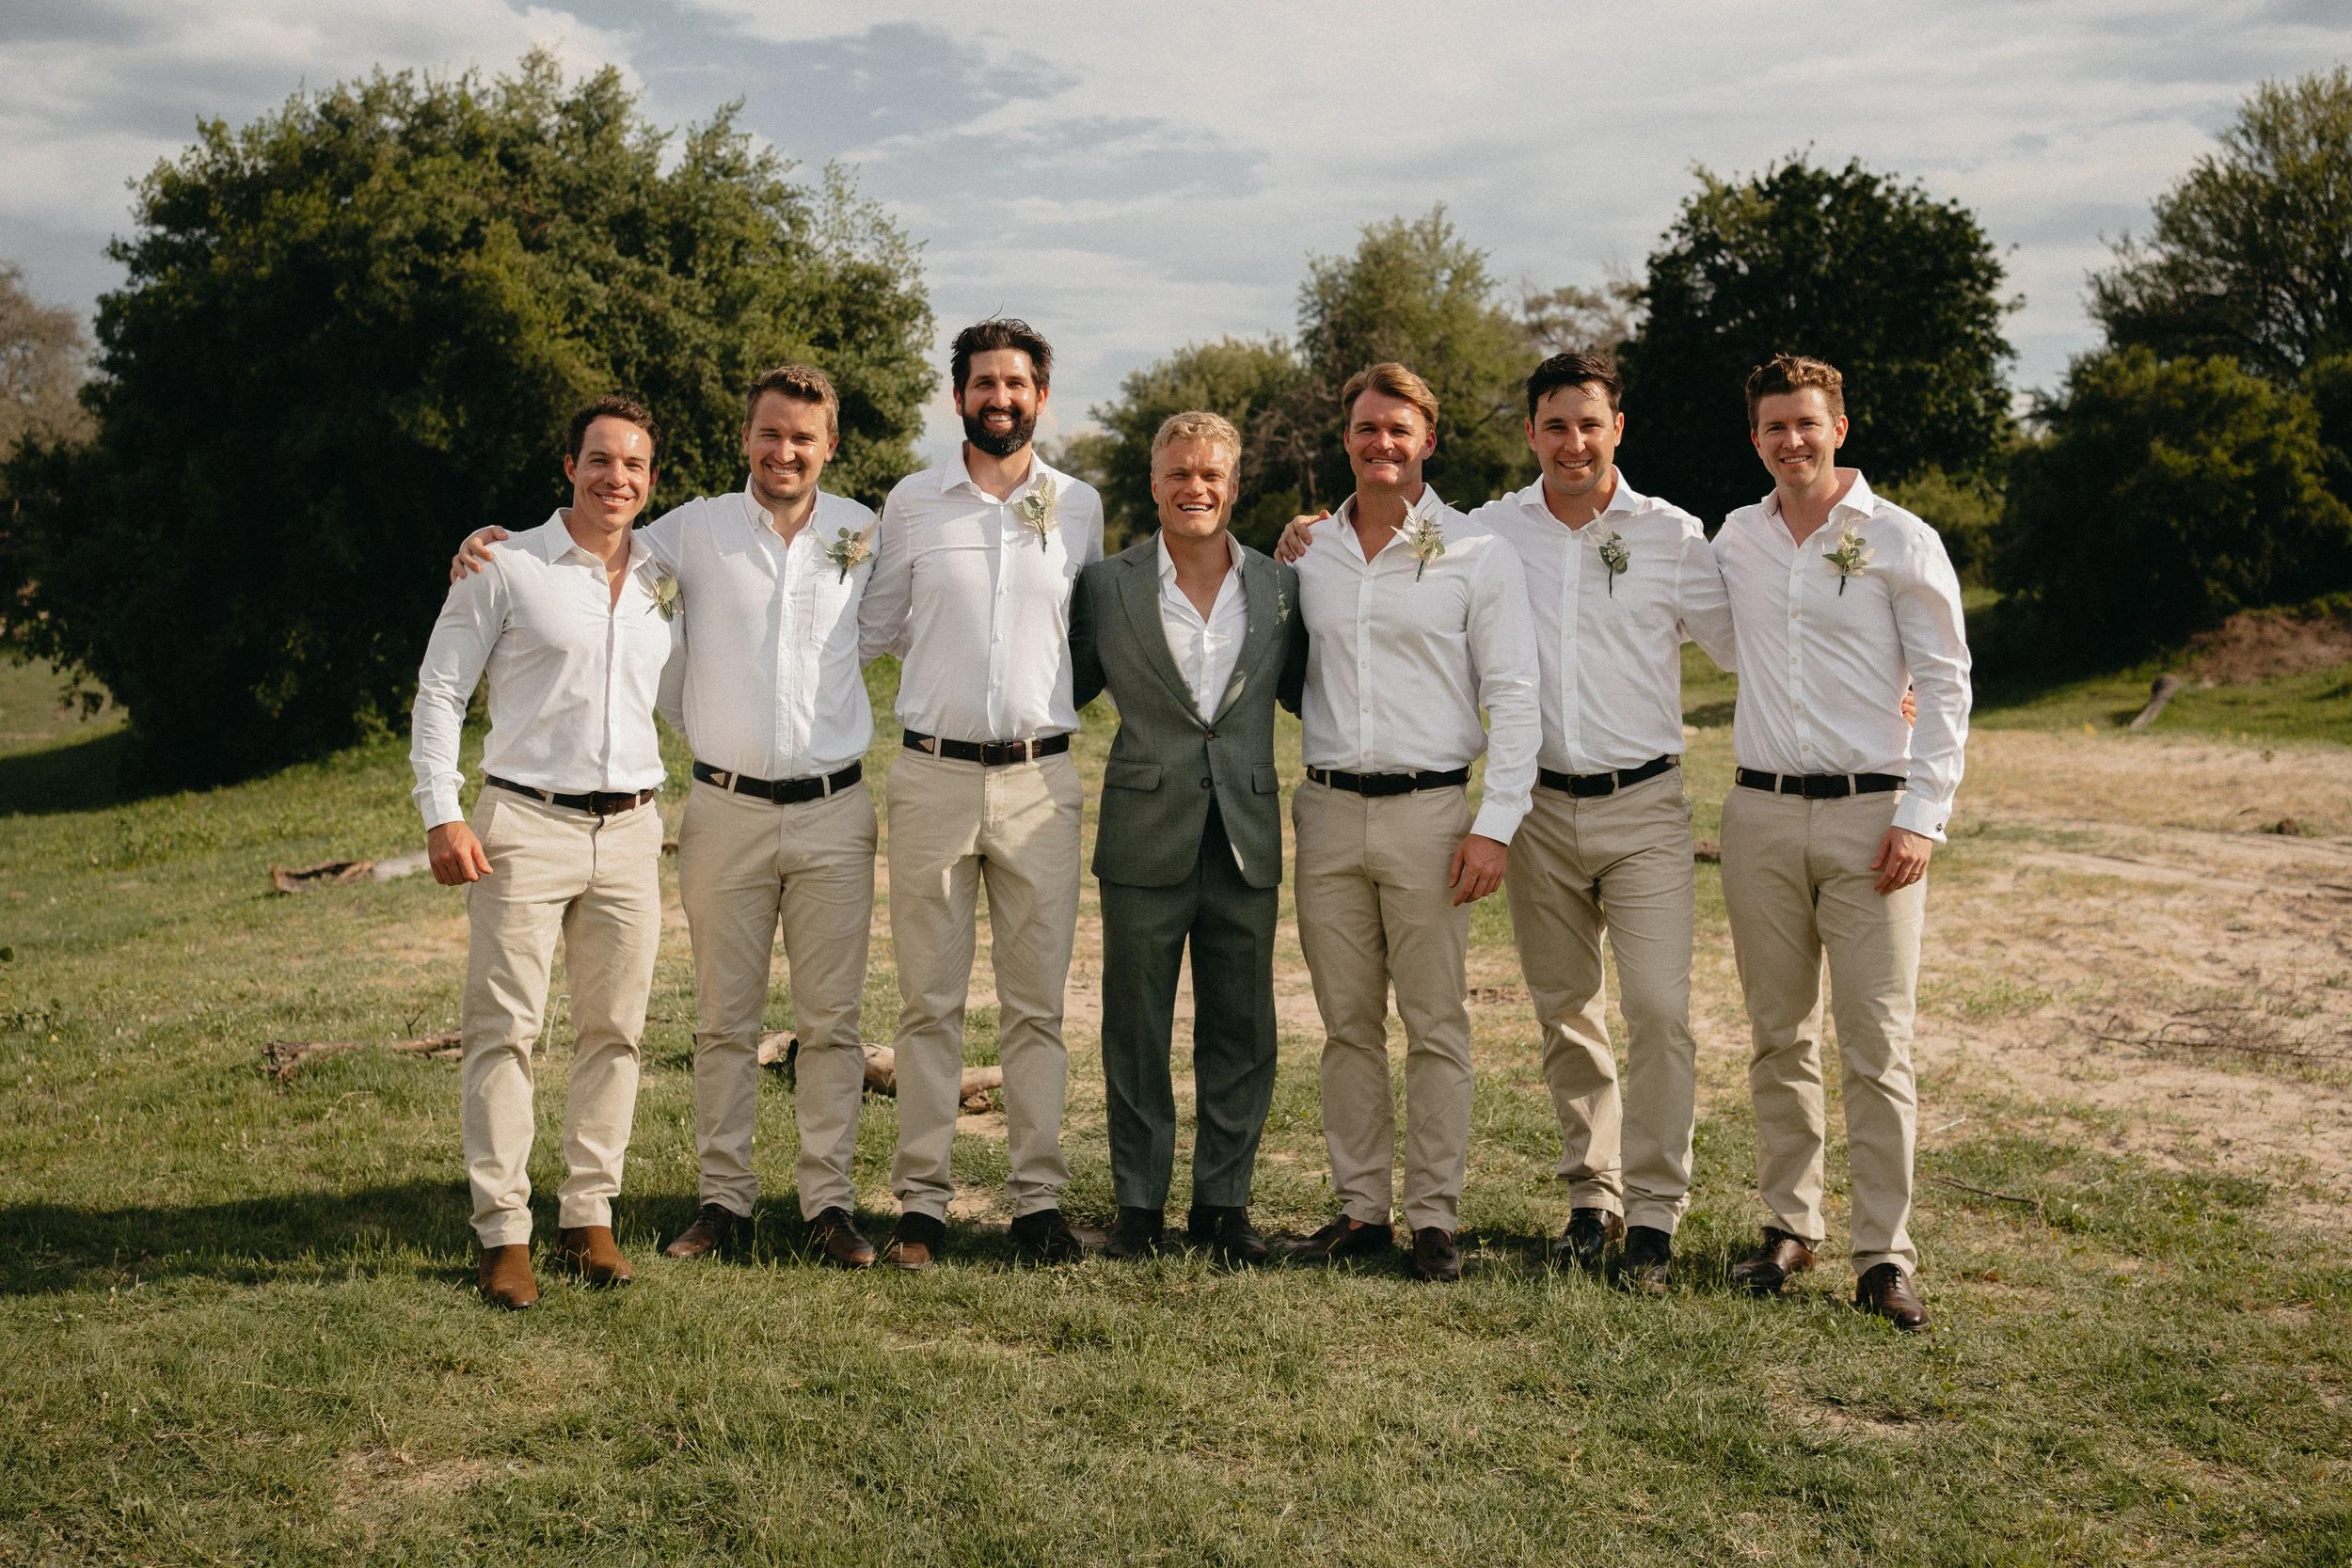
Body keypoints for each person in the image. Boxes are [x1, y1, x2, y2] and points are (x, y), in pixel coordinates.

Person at [453, 368, 886, 1270]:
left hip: (835, 810)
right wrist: (487, 543)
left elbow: (896, 626)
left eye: (803, 438)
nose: (784, 451)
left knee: (833, 1021)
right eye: (770, 433)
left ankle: (828, 1204)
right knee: (724, 1019)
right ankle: (724, 1198)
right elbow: (591, 541)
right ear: (745, 438)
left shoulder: (864, 533)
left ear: (830, 447)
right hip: (724, 808)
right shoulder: (689, 530)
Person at [1715, 354, 1970, 1333]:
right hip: (1761, 815)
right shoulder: (1736, 538)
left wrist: (1921, 813)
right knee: (1778, 1034)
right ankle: (1790, 1225)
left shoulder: (1899, 538)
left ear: (1839, 429)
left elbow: (1944, 681)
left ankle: (1884, 1254)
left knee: (1876, 1042)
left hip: (1875, 819)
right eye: (1775, 426)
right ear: (1755, 438)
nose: (1792, 440)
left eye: (1807, 423)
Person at [411, 395, 677, 1311]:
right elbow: (441, 689)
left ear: (652, 479)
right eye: (599, 459)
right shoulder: (505, 564)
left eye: (633, 465)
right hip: (523, 825)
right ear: (568, 466)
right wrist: (442, 812)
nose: (616, 478)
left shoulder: (665, 576)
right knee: (504, 1030)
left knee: (617, 1029)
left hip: (632, 830)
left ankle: (588, 1215)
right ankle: (503, 1230)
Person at [1281, 362, 1540, 1283]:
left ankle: (1435, 1216)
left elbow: (1515, 693)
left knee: (1434, 1023)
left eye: (1399, 429)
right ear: (1345, 438)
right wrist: (1288, 541)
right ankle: (1361, 1209)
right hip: (1324, 812)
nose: (1381, 442)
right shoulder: (1309, 552)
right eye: (1366, 427)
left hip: (1432, 815)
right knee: (1347, 1023)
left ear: (1428, 439)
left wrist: (1496, 822)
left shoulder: (1476, 552)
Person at [860, 319, 1106, 1268]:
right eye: (982, 383)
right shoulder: (913, 502)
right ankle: (922, 1202)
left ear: (1041, 395)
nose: (999, 398)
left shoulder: (1077, 505)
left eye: (1015, 383)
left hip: (1041, 781)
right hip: (932, 776)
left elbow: (1090, 633)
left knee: (1035, 1004)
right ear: (957, 394)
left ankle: (1037, 1201)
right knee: (928, 1001)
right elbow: (877, 625)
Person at [1068, 410, 1308, 1266]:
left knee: (1243, 1025)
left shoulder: (1284, 587)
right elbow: (1058, 685)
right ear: (1154, 482)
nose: (1194, 487)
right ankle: (1137, 1205)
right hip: (1143, 832)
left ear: (1233, 485)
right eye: (1178, 473)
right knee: (1135, 1026)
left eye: (1210, 474)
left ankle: (1223, 1205)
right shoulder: (1108, 586)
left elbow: (1316, 691)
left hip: (1244, 830)